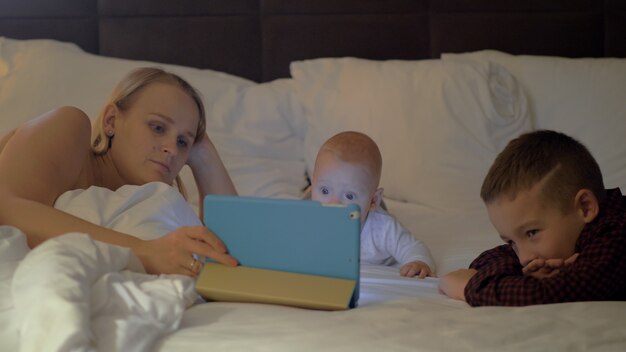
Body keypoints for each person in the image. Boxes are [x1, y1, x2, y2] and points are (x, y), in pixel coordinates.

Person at [0, 67, 238, 277]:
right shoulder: (69, 126)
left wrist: (205, 156)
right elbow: (7, 208)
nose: (172, 149)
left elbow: (231, 253)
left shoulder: (151, 208)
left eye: (183, 142)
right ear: (111, 121)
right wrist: (145, 251)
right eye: (157, 127)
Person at [439, 130, 626, 306]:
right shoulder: (547, 243)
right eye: (511, 241)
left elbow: (546, 294)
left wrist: (469, 287)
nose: (524, 259)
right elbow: (485, 261)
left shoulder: (618, 233)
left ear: (585, 207)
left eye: (532, 232)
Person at [311, 131, 435, 278]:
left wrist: (418, 262)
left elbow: (412, 247)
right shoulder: (307, 220)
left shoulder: (383, 229)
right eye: (324, 190)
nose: (334, 204)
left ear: (373, 200)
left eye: (349, 196)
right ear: (313, 185)